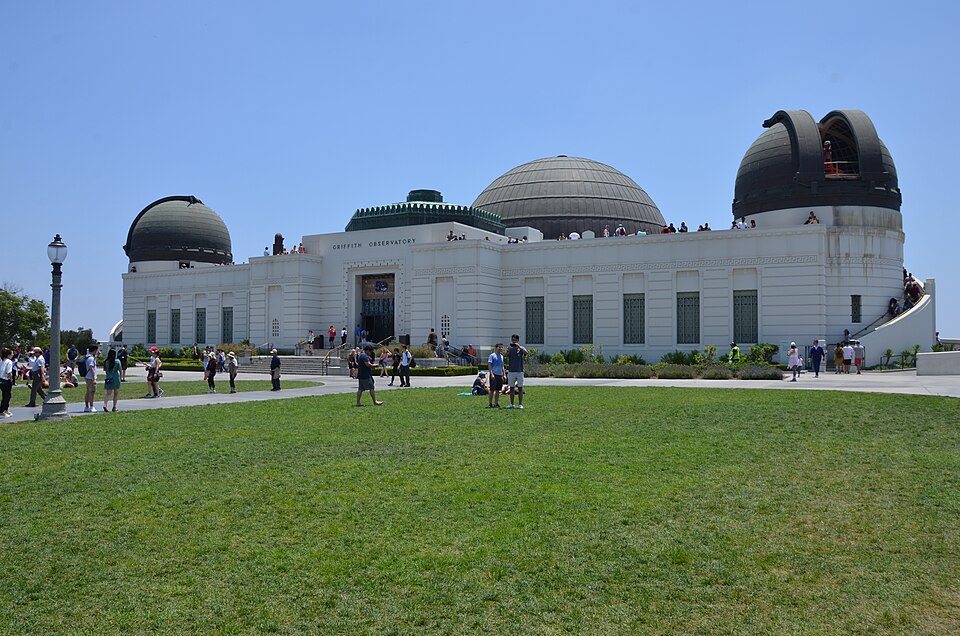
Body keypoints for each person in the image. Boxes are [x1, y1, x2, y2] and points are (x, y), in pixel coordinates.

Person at [506, 334, 527, 409]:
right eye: (512, 340)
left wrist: (519, 347)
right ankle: (511, 404)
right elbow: (506, 355)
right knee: (511, 388)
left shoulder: (520, 348)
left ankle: (520, 404)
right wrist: (509, 350)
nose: (513, 342)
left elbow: (526, 353)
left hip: (519, 371)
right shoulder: (511, 348)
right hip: (511, 371)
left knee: (520, 387)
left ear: (518, 340)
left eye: (515, 340)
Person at [102, 348, 121, 412]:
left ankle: (105, 404)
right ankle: (114, 407)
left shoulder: (106, 362)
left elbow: (105, 370)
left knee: (108, 393)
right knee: (116, 393)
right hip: (115, 378)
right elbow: (120, 370)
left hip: (108, 378)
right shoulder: (117, 361)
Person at [487, 343, 505, 408]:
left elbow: (502, 366)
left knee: (498, 390)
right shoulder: (492, 356)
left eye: (501, 347)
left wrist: (504, 375)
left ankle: (496, 403)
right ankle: (490, 403)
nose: (500, 348)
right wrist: (491, 374)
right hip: (494, 374)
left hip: (500, 375)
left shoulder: (502, 356)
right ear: (496, 347)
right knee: (492, 390)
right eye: (499, 347)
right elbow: (489, 365)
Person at [83, 344, 99, 412]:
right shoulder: (91, 358)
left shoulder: (87, 357)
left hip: (87, 376)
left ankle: (87, 406)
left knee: (88, 391)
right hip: (90, 377)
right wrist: (94, 379)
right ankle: (91, 406)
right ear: (95, 350)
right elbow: (91, 368)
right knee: (92, 391)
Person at [0, 347, 14, 417]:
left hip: (1, 379)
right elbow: (9, 372)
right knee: (6, 396)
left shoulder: (1, 360)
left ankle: (6, 409)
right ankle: (1, 411)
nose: (13, 354)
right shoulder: (9, 362)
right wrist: (11, 379)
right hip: (6, 380)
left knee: (6, 395)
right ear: (8, 355)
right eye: (12, 353)